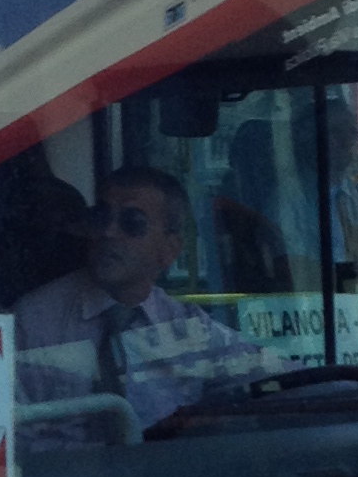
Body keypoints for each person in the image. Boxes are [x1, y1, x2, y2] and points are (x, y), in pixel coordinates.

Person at [14, 168, 256, 435]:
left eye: (132, 222)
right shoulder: (32, 321)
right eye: (101, 217)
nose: (108, 232)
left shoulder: (185, 327)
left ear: (169, 250)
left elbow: (279, 379)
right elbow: (11, 443)